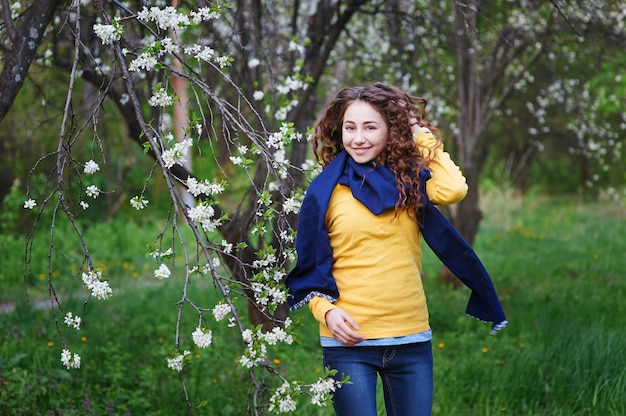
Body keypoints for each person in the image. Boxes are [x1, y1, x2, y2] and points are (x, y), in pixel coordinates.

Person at [286, 82, 506, 416]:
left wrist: (417, 130)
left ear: (391, 131)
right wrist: (325, 311)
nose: (358, 138)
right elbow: (311, 267)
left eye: (371, 127)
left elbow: (454, 189)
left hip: (411, 340)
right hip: (349, 344)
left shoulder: (409, 182)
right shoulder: (325, 192)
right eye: (350, 127)